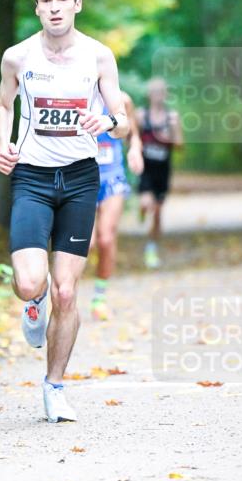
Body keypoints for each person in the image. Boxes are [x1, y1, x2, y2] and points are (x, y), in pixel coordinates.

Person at [0, 0, 130, 423]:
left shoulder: (98, 56)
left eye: (62, 0)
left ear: (77, 4)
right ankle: (32, 304)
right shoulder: (17, 57)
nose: (54, 8)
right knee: (33, 282)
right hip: (31, 176)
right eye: (46, 0)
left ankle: (54, 388)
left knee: (67, 292)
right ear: (37, 6)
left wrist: (107, 123)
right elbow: (2, 106)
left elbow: (122, 117)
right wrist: (3, 145)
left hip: (79, 179)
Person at [89, 92, 144, 320]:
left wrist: (135, 150)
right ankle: (63, 293)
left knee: (106, 238)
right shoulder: (75, 94)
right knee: (87, 244)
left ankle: (99, 298)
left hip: (112, 176)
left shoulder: (122, 100)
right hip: (83, 177)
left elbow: (133, 134)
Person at [136, 77, 183, 269]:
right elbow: (132, 140)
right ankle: (142, 208)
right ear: (149, 95)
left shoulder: (172, 117)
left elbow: (180, 144)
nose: (158, 96)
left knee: (157, 213)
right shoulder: (141, 115)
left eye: (161, 92)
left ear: (165, 95)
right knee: (147, 204)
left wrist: (169, 137)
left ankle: (151, 247)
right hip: (145, 169)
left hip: (162, 171)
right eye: (154, 92)